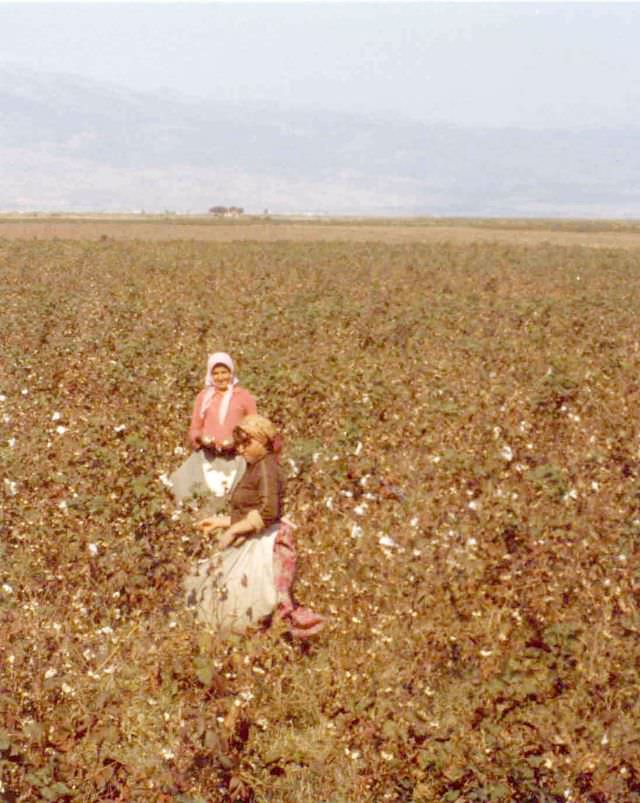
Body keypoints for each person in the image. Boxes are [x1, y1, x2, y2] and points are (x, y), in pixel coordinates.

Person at [184, 414, 325, 638]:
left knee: (257, 601)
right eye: (238, 444)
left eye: (246, 443)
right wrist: (221, 522)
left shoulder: (266, 466)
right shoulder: (257, 466)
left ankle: (284, 649)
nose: (240, 449)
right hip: (259, 537)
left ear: (262, 441)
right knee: (243, 598)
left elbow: (269, 511)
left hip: (268, 544)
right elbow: (253, 510)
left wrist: (232, 530)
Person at [169, 352, 257, 509]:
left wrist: (237, 441)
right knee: (182, 485)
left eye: (224, 372)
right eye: (215, 373)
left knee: (236, 499)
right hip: (208, 456)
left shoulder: (244, 396)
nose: (220, 377)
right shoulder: (204, 397)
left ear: (232, 372)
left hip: (236, 456)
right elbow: (195, 428)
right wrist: (202, 439)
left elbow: (255, 426)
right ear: (210, 375)